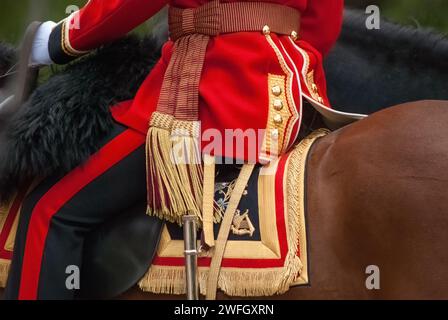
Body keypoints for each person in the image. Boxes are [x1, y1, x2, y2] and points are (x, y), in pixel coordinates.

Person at [5, 0, 344, 300]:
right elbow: (323, 23)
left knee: (48, 210)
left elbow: (127, 5)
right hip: (288, 102)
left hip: (210, 96)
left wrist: (58, 41)